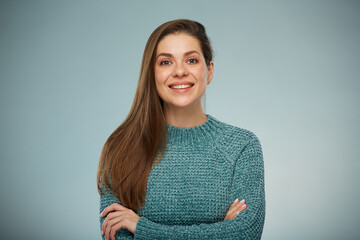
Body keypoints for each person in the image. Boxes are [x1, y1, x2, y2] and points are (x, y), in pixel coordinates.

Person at [97, 19, 265, 240]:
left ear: (210, 71)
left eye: (192, 60)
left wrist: (142, 228)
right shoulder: (121, 147)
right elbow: (116, 234)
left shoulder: (242, 146)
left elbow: (245, 233)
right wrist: (220, 230)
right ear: (151, 73)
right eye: (166, 62)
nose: (179, 71)